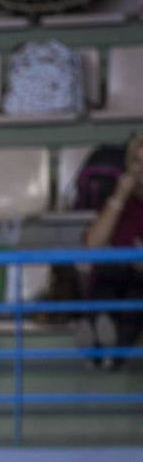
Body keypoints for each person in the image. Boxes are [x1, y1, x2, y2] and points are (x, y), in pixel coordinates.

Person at [80, 132, 143, 368]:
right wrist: (120, 196)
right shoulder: (115, 198)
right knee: (107, 274)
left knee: (136, 295)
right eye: (137, 161)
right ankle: (97, 338)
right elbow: (92, 245)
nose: (141, 169)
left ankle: (107, 355)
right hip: (116, 272)